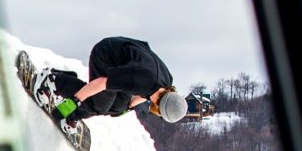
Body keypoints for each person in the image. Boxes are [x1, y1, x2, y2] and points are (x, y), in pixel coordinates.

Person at [31, 35, 189, 130]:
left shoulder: (166, 84)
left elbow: (145, 94)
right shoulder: (141, 81)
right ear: (160, 108)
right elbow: (101, 83)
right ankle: (52, 81)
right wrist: (73, 102)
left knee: (118, 107)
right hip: (106, 55)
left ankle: (72, 107)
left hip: (123, 62)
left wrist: (127, 107)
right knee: (99, 104)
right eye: (160, 114)